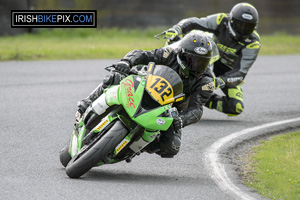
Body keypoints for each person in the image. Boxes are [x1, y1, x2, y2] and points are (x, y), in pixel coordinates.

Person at [76, 31, 216, 158]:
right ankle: (86, 104)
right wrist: (126, 62)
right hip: (145, 87)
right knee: (114, 77)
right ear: (183, 54)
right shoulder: (169, 54)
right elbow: (142, 54)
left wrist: (182, 120)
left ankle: (134, 148)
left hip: (170, 109)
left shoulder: (206, 82)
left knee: (172, 147)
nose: (198, 66)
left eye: (203, 62)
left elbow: (197, 109)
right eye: (194, 60)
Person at [164, 2, 261, 116]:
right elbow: (195, 22)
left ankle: (202, 98)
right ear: (232, 21)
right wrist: (178, 28)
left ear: (254, 27)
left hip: (227, 70)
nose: (243, 30)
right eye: (240, 25)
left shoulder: (253, 43)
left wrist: (219, 81)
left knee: (236, 107)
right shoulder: (221, 20)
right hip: (207, 59)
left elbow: (240, 72)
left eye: (248, 27)